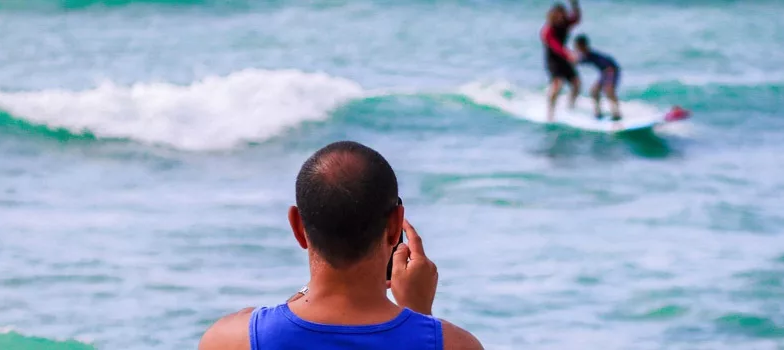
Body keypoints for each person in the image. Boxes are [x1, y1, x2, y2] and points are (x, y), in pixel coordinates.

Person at [198, 141, 483, 350]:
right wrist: (419, 316)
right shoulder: (456, 345)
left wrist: (306, 293)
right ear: (396, 225)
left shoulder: (231, 340)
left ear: (297, 227)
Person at [540, 0, 582, 122]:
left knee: (577, 84)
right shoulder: (547, 30)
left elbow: (577, 18)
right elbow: (555, 46)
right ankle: (550, 113)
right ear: (552, 15)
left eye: (563, 14)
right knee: (557, 85)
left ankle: (571, 107)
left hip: (564, 58)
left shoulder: (565, 24)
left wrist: (574, 4)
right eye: (558, 15)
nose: (561, 17)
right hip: (553, 60)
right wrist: (569, 54)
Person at [573, 34, 622, 121]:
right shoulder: (586, 54)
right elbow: (579, 61)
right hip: (604, 72)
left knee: (609, 91)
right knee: (594, 91)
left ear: (582, 45)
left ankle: (617, 113)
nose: (576, 48)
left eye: (577, 46)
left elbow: (580, 61)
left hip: (611, 71)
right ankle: (598, 113)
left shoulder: (589, 53)